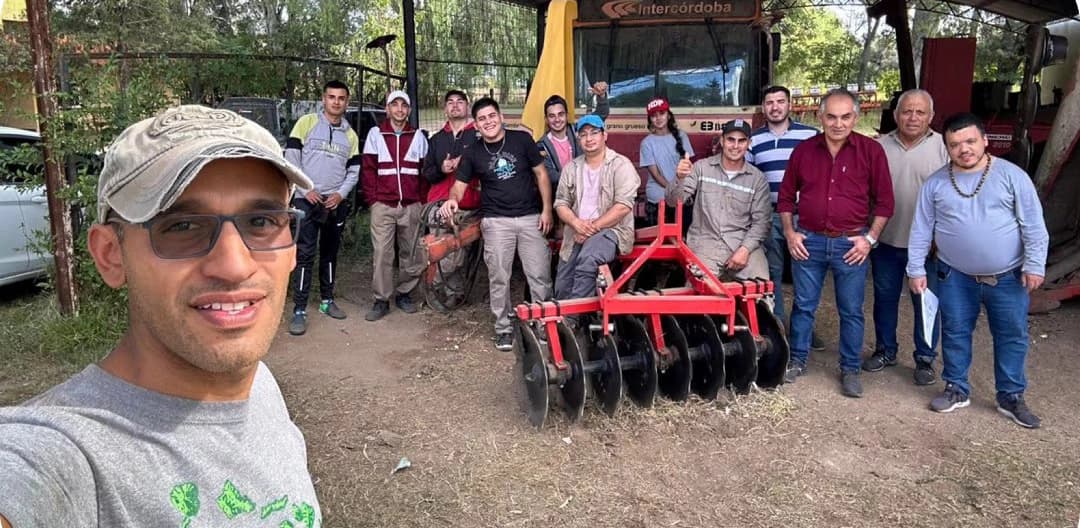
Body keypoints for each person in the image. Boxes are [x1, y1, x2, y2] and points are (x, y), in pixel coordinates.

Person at [0, 105, 322, 526]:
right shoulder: (62, 456)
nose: (234, 265)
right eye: (183, 226)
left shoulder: (258, 383)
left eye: (260, 221)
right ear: (110, 255)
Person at [907, 112, 1049, 428]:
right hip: (954, 274)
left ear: (984, 140)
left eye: (970, 141)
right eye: (955, 144)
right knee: (956, 331)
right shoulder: (936, 184)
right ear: (947, 148)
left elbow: (1034, 225)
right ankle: (957, 388)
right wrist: (915, 268)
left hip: (1008, 276)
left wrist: (1035, 263)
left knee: (1012, 335)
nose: (964, 149)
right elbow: (921, 229)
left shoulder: (1012, 176)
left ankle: (1010, 396)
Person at [777, 88, 894, 398]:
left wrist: (869, 240)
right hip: (809, 242)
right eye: (831, 116)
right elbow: (786, 197)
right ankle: (798, 360)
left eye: (845, 117)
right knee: (803, 306)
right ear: (820, 116)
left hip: (850, 246)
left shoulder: (871, 151)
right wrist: (790, 233)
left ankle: (850, 369)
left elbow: (885, 203)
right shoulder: (803, 151)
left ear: (856, 117)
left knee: (851, 309)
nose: (838, 123)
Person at [440, 97, 553, 351]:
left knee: (539, 275)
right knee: (499, 276)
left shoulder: (521, 140)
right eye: (482, 119)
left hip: (529, 218)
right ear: (476, 125)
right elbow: (458, 187)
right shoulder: (473, 152)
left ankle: (543, 324)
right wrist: (451, 201)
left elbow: (541, 174)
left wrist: (546, 210)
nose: (488, 122)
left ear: (501, 117)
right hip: (496, 221)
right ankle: (503, 327)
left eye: (492, 116)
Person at [863, 89, 949, 385]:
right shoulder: (879, 146)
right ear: (896, 114)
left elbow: (952, 198)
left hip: (928, 247)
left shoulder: (944, 147)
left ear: (931, 117)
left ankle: (925, 359)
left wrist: (941, 237)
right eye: (906, 111)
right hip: (886, 240)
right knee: (884, 299)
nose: (912, 117)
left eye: (920, 112)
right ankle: (886, 350)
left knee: (925, 304)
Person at [747, 85, 823, 349]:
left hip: (804, 218)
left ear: (790, 105)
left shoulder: (811, 135)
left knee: (806, 273)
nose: (775, 107)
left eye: (780, 101)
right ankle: (777, 325)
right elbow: (748, 177)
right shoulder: (753, 140)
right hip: (769, 215)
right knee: (773, 274)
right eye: (769, 102)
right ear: (763, 107)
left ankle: (804, 328)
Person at [285, 79, 361, 335]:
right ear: (324, 99)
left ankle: (327, 302)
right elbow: (291, 159)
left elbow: (354, 171)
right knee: (305, 254)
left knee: (330, 253)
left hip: (333, 203)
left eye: (341, 98)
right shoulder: (306, 123)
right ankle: (299, 309)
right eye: (332, 97)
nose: (336, 102)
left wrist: (340, 194)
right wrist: (307, 190)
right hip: (307, 201)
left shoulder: (350, 135)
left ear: (346, 102)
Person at [553, 114, 638, 312]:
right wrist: (576, 224)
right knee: (563, 286)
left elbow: (623, 206)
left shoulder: (621, 165)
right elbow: (561, 203)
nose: (589, 138)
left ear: (604, 135)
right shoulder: (571, 168)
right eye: (583, 135)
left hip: (611, 231)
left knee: (588, 260)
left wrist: (592, 228)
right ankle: (567, 321)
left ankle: (574, 320)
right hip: (576, 231)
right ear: (578, 140)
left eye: (594, 133)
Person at [668, 119, 771, 280]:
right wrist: (679, 178)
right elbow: (674, 201)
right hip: (704, 244)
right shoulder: (701, 168)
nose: (735, 146)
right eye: (730, 139)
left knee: (761, 290)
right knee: (702, 294)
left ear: (749, 143)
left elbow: (762, 222)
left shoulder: (758, 179)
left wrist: (745, 249)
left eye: (741, 140)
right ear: (722, 141)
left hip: (742, 243)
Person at [361, 90, 429, 321]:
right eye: (395, 105)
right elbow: (368, 170)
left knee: (411, 251)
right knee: (382, 252)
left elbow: (424, 172)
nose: (399, 109)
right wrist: (373, 200)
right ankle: (381, 299)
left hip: (411, 205)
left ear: (408, 110)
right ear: (388, 109)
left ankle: (405, 293)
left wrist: (420, 201)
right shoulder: (376, 134)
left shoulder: (418, 136)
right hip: (383, 205)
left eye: (404, 105)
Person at [422, 89, 482, 306]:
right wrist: (442, 168)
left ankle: (450, 293)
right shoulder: (437, 139)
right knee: (448, 247)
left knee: (457, 249)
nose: (455, 105)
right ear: (445, 108)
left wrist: (466, 166)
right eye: (450, 102)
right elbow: (426, 172)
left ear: (467, 106)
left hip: (469, 203)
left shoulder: (478, 136)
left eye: (460, 102)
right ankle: (436, 288)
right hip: (438, 202)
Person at [537, 82, 610, 189]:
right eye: (552, 116)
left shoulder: (579, 129)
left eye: (561, 114)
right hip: (560, 195)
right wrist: (576, 180)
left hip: (590, 188)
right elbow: (549, 175)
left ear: (567, 115)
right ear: (546, 119)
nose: (557, 120)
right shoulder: (540, 146)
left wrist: (602, 96)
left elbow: (601, 115)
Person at [640, 97, 694, 229]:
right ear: (650, 120)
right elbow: (656, 175)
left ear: (669, 115)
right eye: (654, 115)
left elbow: (688, 169)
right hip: (660, 192)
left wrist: (684, 191)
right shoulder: (647, 143)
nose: (658, 118)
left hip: (681, 191)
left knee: (686, 231)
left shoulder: (681, 136)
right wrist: (673, 190)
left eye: (662, 114)